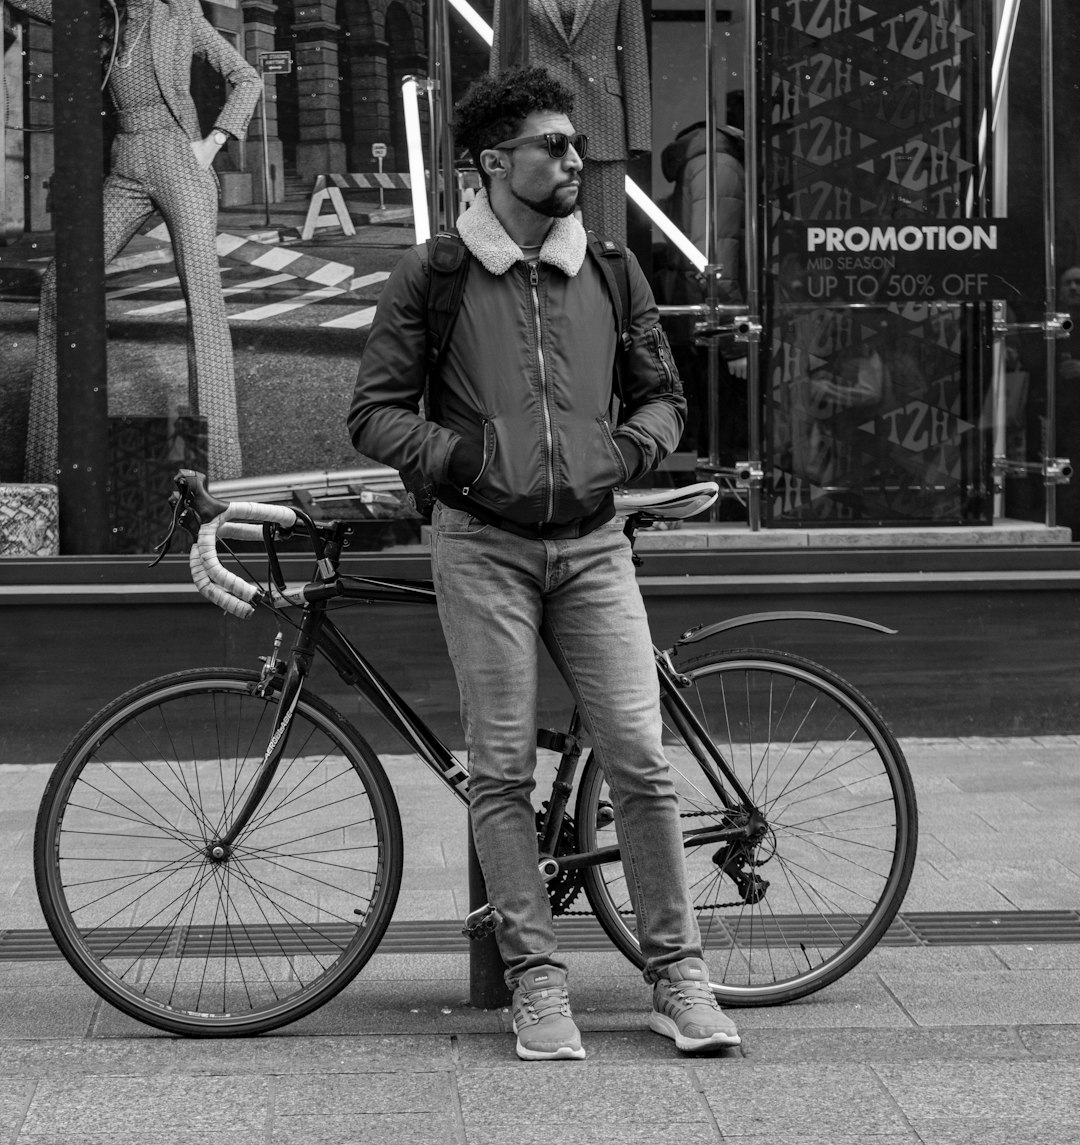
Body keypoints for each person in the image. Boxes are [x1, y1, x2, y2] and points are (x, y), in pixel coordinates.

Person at [348, 65, 740, 1062]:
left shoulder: (610, 267)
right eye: (553, 146)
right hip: (482, 548)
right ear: (492, 163)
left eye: (576, 145)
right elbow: (374, 410)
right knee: (503, 771)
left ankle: (678, 973)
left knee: (642, 763)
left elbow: (663, 395)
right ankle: (534, 978)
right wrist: (464, 456)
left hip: (596, 543)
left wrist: (626, 452)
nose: (576, 159)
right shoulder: (434, 274)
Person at [7, 0, 261, 482]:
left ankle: (221, 468)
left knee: (202, 300)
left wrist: (214, 142)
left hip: (179, 159)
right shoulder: (102, 14)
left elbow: (247, 77)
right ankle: (44, 456)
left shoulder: (181, 14)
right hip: (126, 166)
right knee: (60, 283)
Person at [659, 93, 747, 462]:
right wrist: (734, 341)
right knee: (716, 427)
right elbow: (714, 258)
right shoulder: (720, 164)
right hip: (710, 324)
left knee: (699, 423)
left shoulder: (711, 160)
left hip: (698, 317)